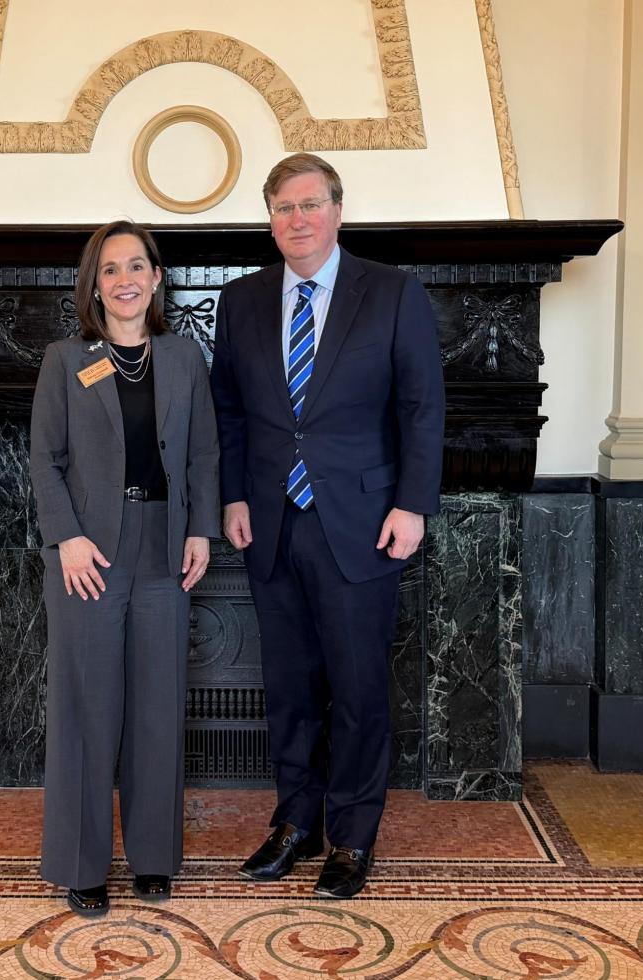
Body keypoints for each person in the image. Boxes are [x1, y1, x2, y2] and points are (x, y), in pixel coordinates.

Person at [210, 153, 444, 899]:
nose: (297, 219)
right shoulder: (240, 301)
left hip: (365, 523)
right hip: (272, 521)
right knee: (287, 687)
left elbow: (419, 408)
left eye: (309, 204)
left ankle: (350, 835)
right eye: (282, 207)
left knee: (358, 688)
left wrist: (411, 504)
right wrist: (233, 497)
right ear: (269, 219)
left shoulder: (393, 293)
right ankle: (294, 823)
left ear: (337, 211)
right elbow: (230, 412)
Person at [31, 220, 219, 916]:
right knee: (86, 707)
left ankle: (152, 858)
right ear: (94, 285)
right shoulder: (65, 359)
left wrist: (201, 528)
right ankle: (81, 865)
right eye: (110, 269)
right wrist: (67, 539)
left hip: (163, 548)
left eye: (136, 265)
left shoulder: (182, 360)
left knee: (156, 703)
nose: (125, 279)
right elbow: (44, 460)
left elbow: (203, 454)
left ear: (156, 279)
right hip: (89, 553)